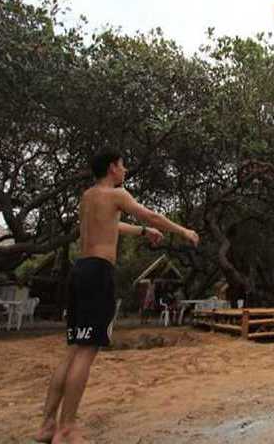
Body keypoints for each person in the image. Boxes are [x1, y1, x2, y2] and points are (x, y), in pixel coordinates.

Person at [35, 149, 199, 444]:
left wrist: (142, 232)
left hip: (80, 271)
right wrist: (182, 230)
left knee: (73, 348)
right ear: (112, 168)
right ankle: (67, 429)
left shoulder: (88, 197)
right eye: (123, 165)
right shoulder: (116, 194)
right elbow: (151, 213)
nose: (124, 170)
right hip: (99, 273)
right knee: (86, 351)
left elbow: (112, 224)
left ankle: (48, 426)